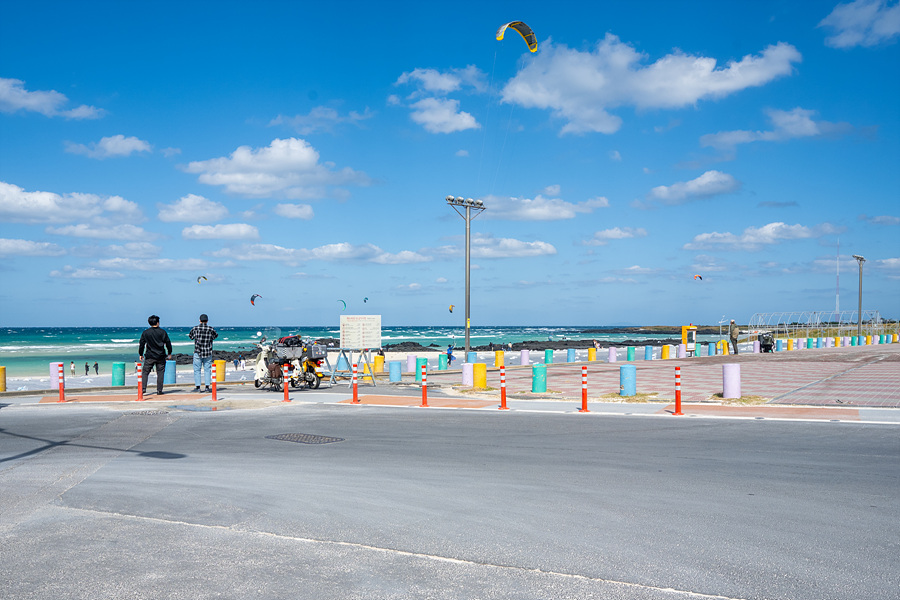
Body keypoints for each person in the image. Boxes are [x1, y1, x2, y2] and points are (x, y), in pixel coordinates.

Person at [138, 315, 172, 395]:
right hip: (160, 355)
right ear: (157, 322)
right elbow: (168, 343)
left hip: (150, 356)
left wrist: (141, 354)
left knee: (145, 372)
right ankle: (159, 390)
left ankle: (143, 388)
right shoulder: (162, 332)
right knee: (160, 372)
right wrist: (169, 353)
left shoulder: (146, 332)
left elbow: (141, 344)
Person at [189, 313, 218, 393]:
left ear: (199, 320)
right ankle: (207, 387)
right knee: (207, 370)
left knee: (197, 370)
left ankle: (198, 387)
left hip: (198, 351)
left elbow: (191, 336)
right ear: (207, 321)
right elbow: (215, 336)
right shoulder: (211, 329)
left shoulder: (195, 328)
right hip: (208, 352)